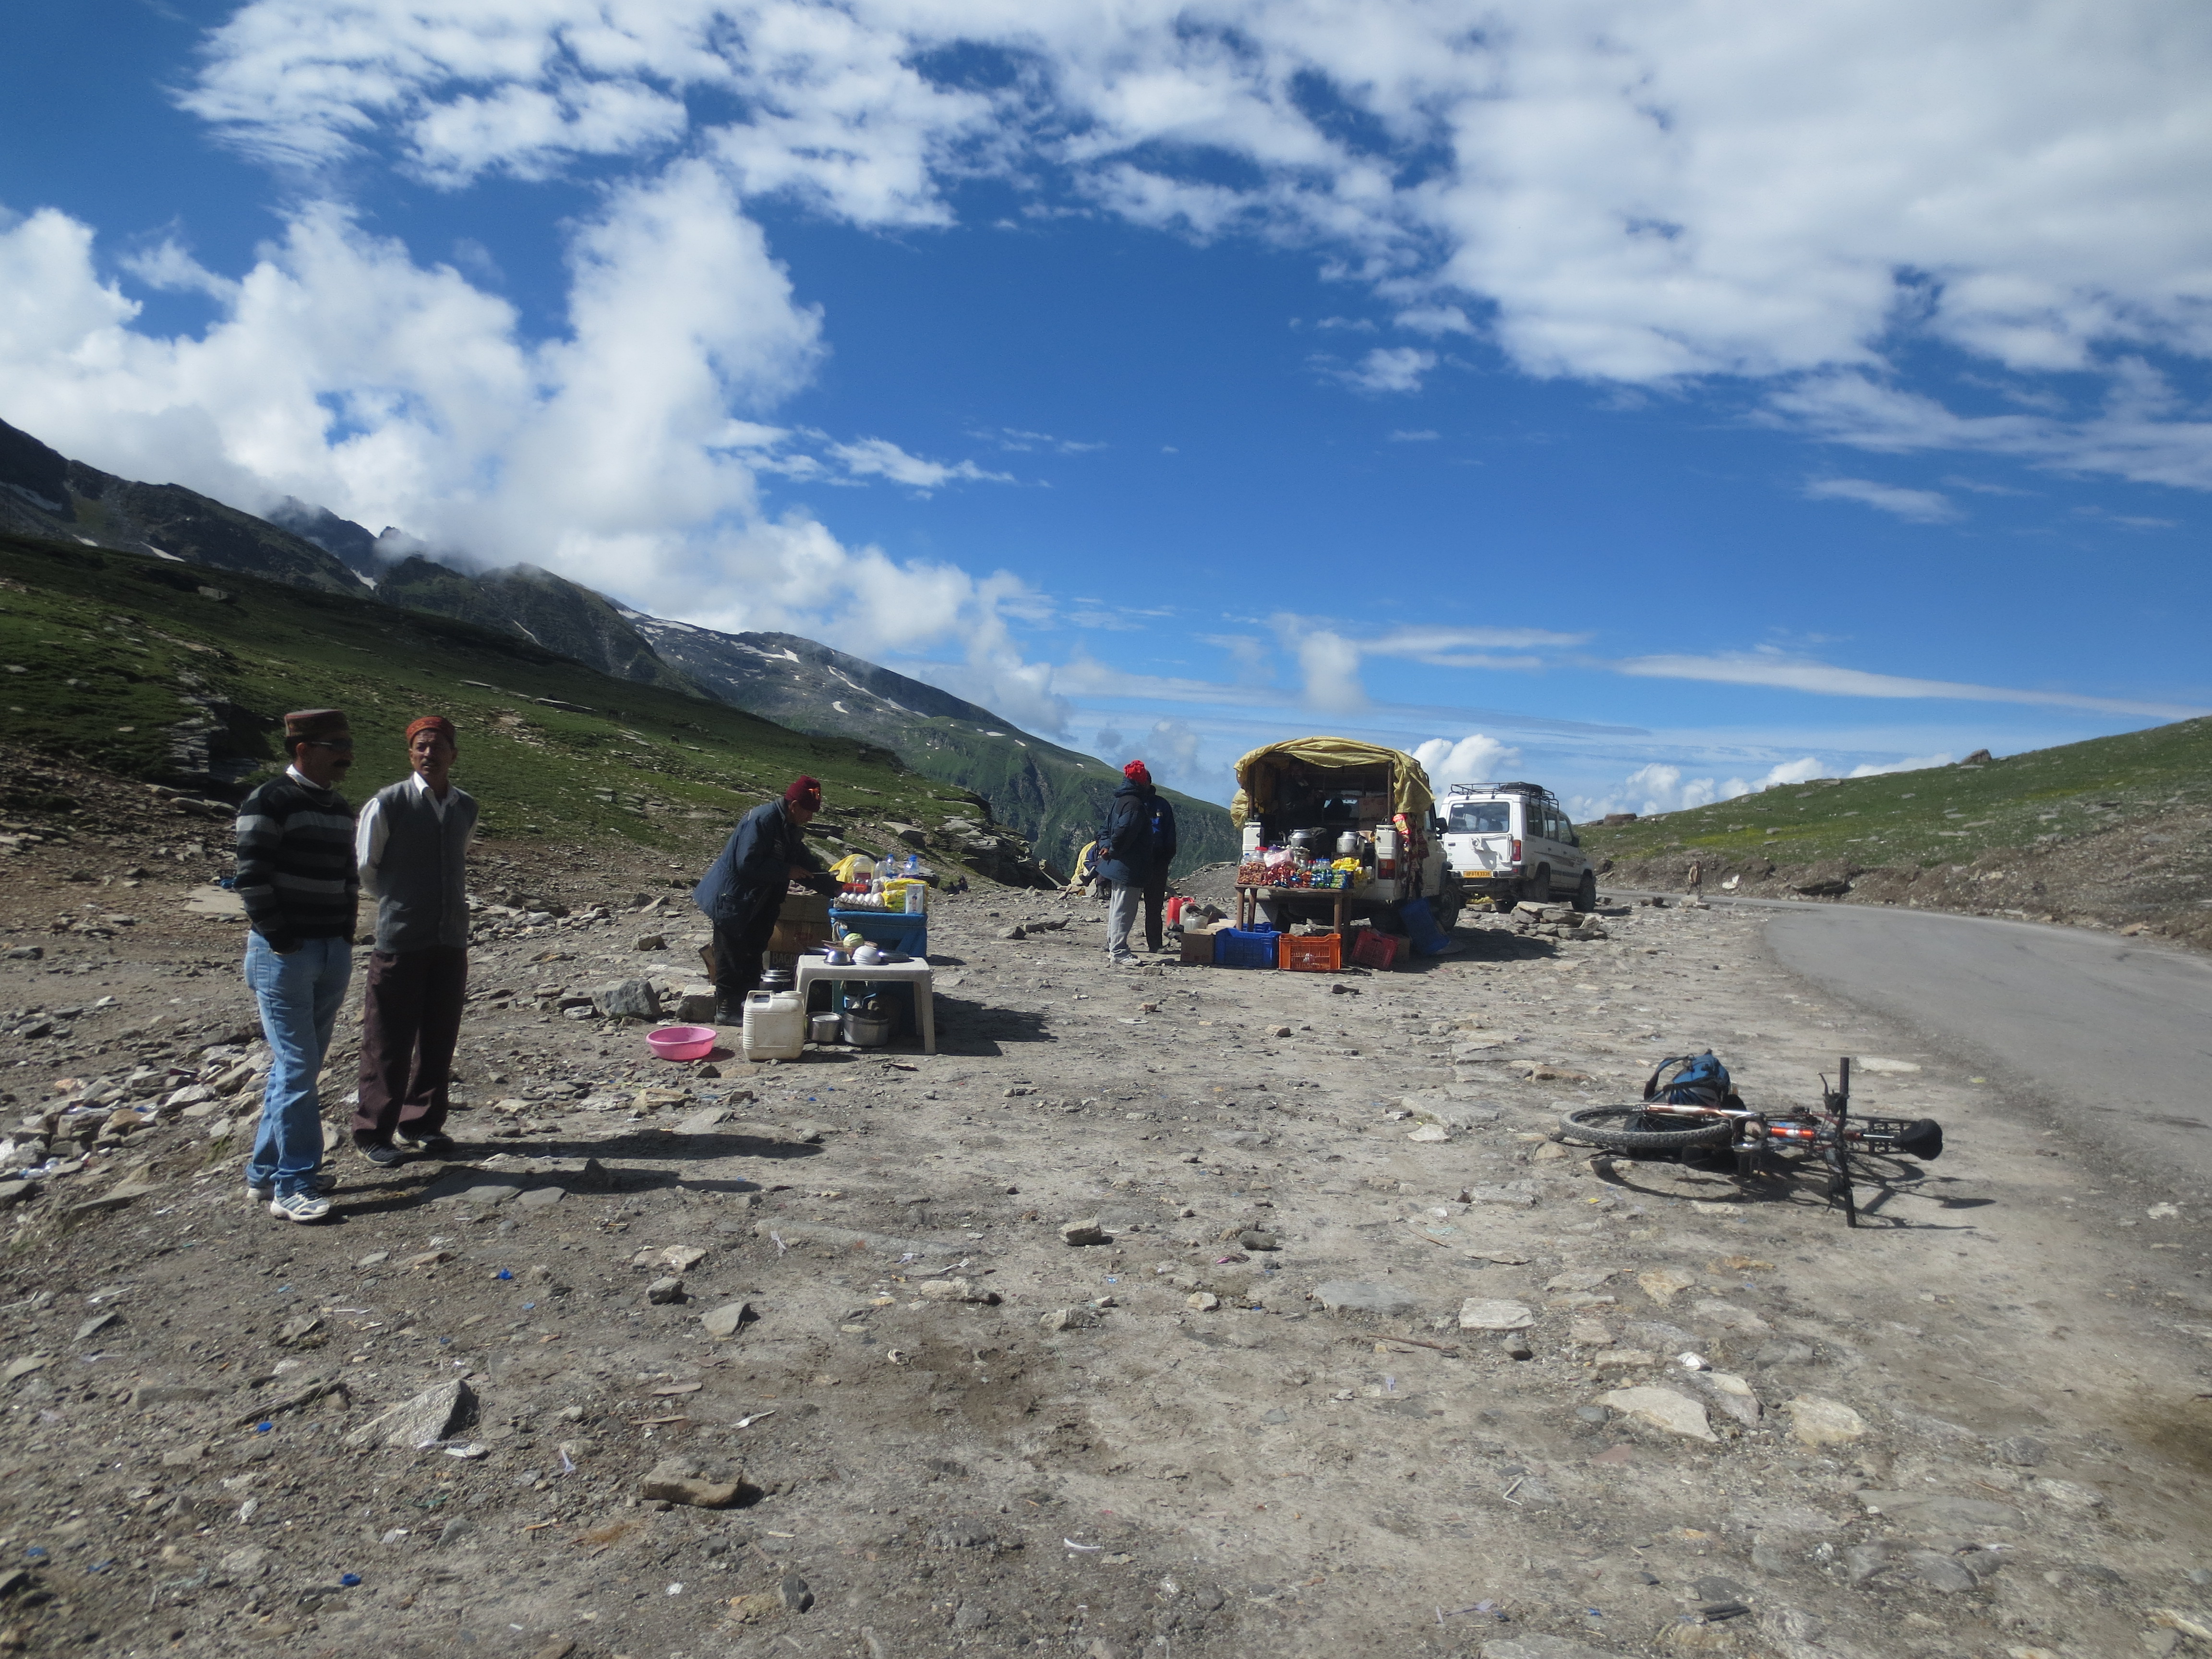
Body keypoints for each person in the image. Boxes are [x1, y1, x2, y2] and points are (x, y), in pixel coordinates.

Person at [235, 709, 360, 1223]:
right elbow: (250, 876)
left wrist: (346, 933)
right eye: (336, 745)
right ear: (304, 748)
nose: (346, 755)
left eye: (347, 745)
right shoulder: (269, 800)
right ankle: (295, 1184)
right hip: (285, 955)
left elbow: (348, 874)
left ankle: (265, 1173)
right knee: (298, 1069)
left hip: (331, 950)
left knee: (297, 1069)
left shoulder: (338, 806)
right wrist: (282, 939)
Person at [352, 715, 478, 1165]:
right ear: (410, 754)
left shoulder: (466, 807)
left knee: (439, 1035)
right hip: (400, 939)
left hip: (450, 938)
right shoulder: (387, 803)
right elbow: (367, 868)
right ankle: (373, 1131)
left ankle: (422, 1123)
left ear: (453, 755)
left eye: (438, 746)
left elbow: (458, 855)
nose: (430, 754)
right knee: (387, 1038)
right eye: (421, 747)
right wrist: (402, 903)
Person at [694, 775, 836, 1021]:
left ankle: (748, 1008)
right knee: (732, 956)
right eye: (809, 812)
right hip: (733, 899)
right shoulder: (762, 820)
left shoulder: (788, 827)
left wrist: (835, 887)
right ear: (794, 806)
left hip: (758, 902)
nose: (811, 818)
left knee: (753, 953)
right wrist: (786, 871)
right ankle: (727, 1010)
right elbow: (747, 863)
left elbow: (803, 864)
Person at [1097, 760, 1161, 966]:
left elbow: (1105, 829)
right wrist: (1114, 850)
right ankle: (1119, 951)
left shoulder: (1120, 801)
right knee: (1124, 909)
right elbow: (1124, 834)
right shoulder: (1135, 805)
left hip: (1117, 865)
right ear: (1143, 782)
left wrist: (1107, 847)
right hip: (1130, 866)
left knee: (1117, 907)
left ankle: (1113, 945)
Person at [1141, 777, 1178, 952]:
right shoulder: (1131, 802)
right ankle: (1116, 942)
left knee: (1154, 906)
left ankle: (1155, 944)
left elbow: (1170, 834)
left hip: (1157, 862)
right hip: (1135, 861)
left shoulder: (1161, 805)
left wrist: (1165, 858)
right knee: (1125, 905)